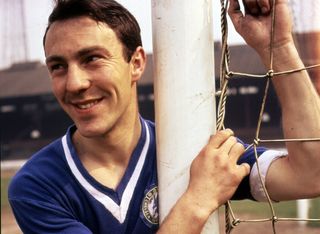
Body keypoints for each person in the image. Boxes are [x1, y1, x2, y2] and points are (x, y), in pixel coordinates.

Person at [8, 0, 320, 233]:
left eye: (92, 59)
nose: (75, 83)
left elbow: (311, 174)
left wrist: (277, 46)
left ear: (136, 63)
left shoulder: (196, 151)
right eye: (58, 66)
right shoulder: (37, 185)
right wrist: (197, 202)